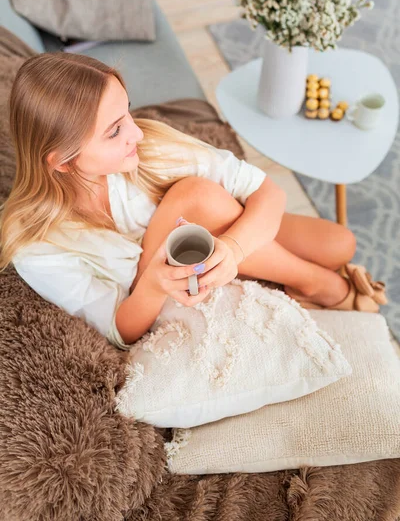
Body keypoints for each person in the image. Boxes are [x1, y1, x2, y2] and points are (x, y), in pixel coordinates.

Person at [0, 53, 387, 350]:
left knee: (340, 244)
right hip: (155, 288)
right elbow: (120, 329)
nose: (136, 132)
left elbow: (267, 190)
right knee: (195, 196)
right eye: (115, 131)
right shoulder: (36, 244)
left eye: (127, 113)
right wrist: (153, 281)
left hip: (217, 238)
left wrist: (234, 249)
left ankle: (281, 272)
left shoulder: (149, 143)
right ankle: (314, 282)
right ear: (64, 161)